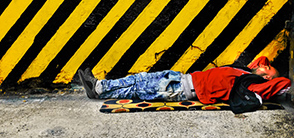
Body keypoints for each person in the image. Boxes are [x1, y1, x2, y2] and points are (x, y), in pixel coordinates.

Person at [78, 56, 291, 110]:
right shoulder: (244, 71)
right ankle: (99, 85)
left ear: (267, 78)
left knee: (138, 88)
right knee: (139, 79)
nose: (264, 64)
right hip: (180, 78)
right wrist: (263, 69)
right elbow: (260, 61)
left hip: (180, 89)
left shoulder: (250, 83)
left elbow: (283, 82)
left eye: (267, 68)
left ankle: (98, 90)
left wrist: (268, 77)